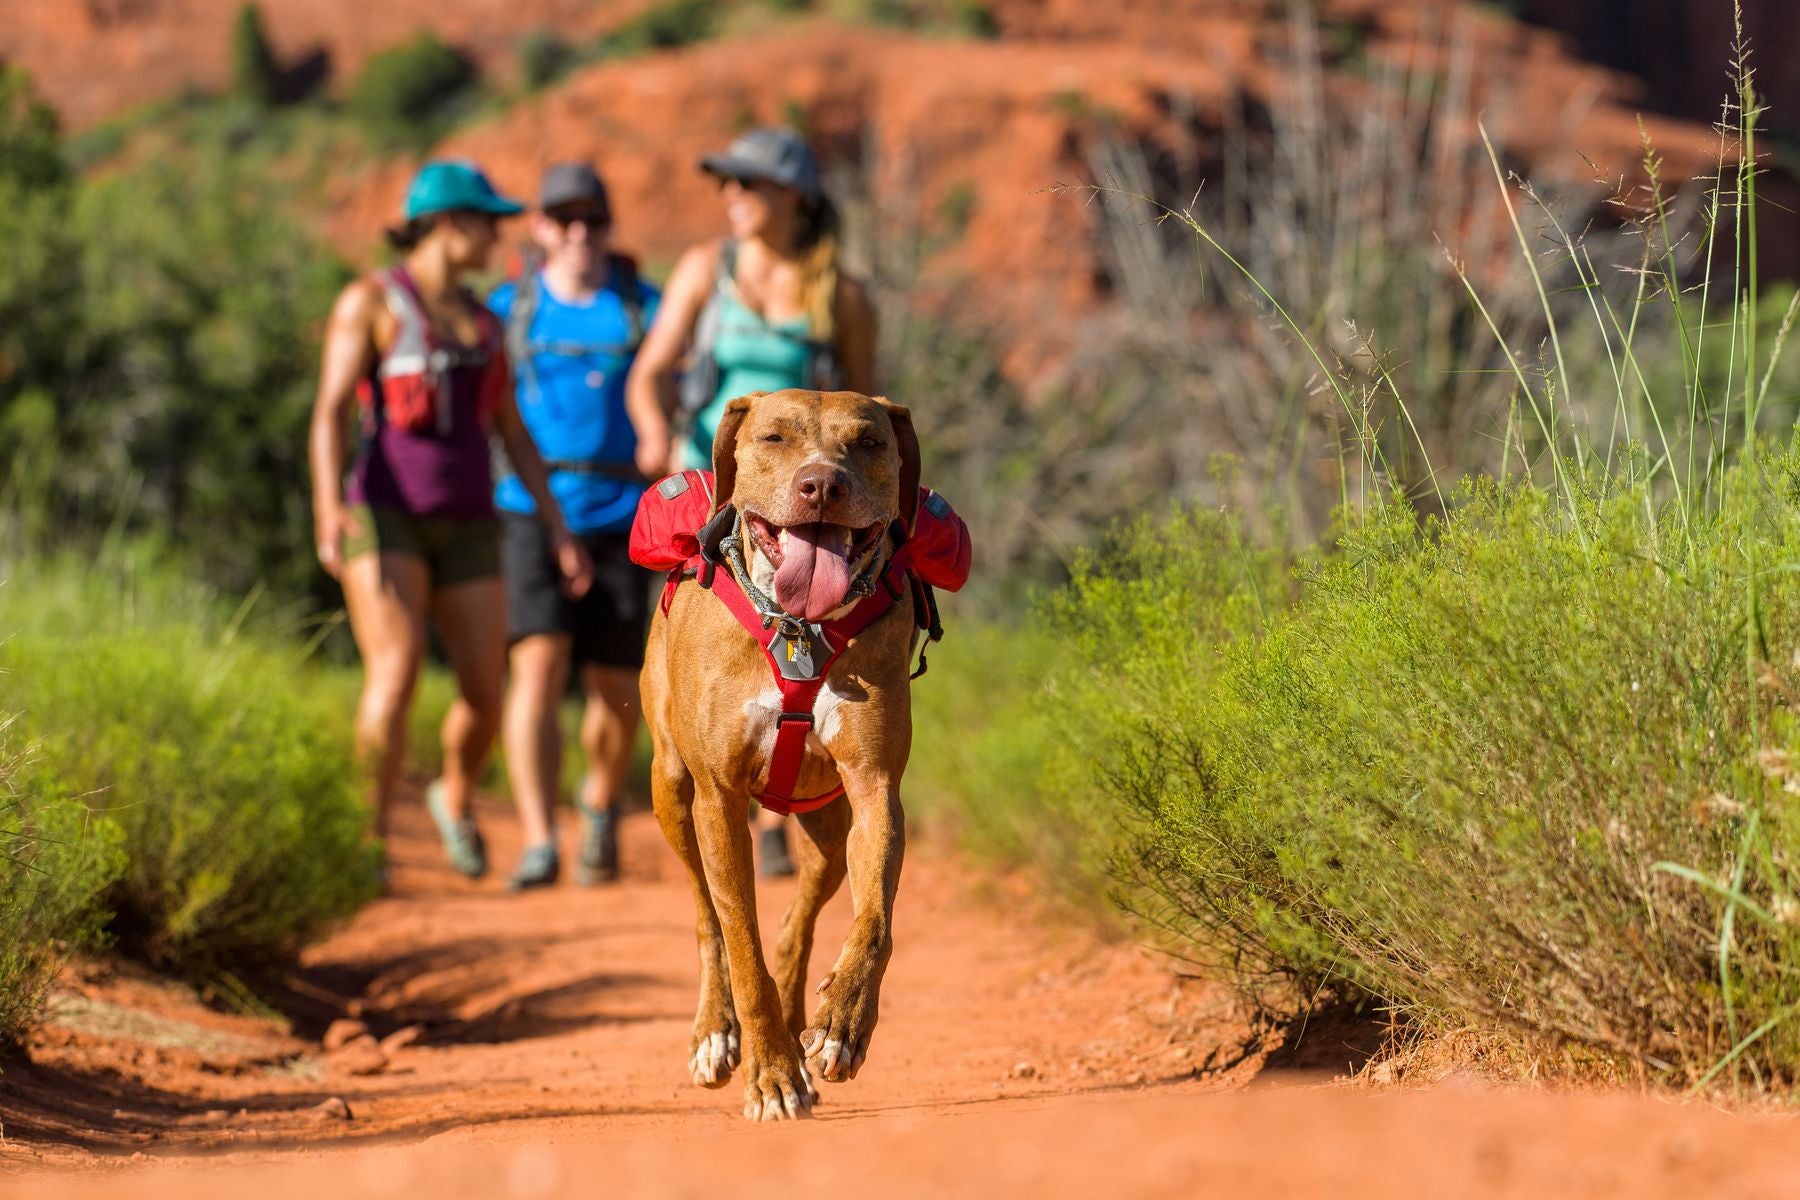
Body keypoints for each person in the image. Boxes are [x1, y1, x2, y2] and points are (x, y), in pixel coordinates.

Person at [309, 160, 592, 882]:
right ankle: (364, 846)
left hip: (470, 520)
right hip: (385, 515)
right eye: (487, 222)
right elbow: (332, 409)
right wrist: (328, 507)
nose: (496, 237)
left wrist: (557, 527)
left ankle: (453, 793)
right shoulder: (371, 302)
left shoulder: (486, 323)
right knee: (395, 673)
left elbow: (512, 431)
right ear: (446, 223)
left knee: (486, 698)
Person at [625, 126, 876, 876]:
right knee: (710, 656)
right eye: (726, 183)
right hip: (713, 498)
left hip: (803, 504)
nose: (730, 195)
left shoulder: (843, 295)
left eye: (747, 182)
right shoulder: (707, 270)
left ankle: (777, 805)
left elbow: (864, 414)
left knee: (804, 635)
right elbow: (650, 372)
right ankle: (725, 782)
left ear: (792, 195)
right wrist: (654, 437)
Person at [489, 163, 661, 890]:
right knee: (536, 664)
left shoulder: (644, 305)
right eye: (564, 220)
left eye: (593, 219)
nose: (579, 233)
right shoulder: (508, 308)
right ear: (540, 228)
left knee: (617, 689)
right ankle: (539, 838)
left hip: (623, 512)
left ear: (609, 226)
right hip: (529, 508)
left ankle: (598, 802)